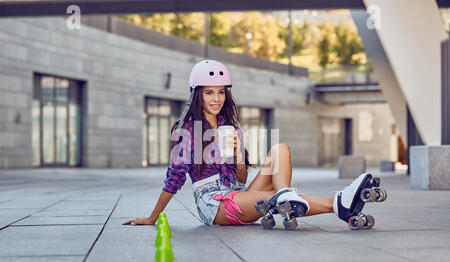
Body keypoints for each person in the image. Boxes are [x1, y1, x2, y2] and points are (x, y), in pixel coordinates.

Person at [123, 60, 375, 228]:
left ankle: (285, 198)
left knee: (281, 149)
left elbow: (241, 179)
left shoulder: (231, 128)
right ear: (196, 94)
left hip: (237, 192)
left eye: (221, 92)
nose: (216, 98)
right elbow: (174, 179)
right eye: (209, 92)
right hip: (214, 204)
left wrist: (238, 156)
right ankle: (337, 203)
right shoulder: (184, 132)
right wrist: (152, 217)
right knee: (272, 196)